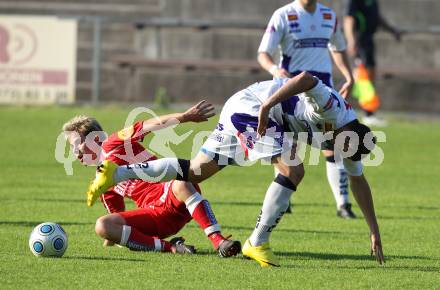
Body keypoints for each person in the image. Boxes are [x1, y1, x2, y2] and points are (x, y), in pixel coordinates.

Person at [86, 72, 385, 267]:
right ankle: (257, 242)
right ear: (344, 133)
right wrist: (268, 106)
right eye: (336, 146)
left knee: (195, 173)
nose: (333, 152)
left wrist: (373, 231)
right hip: (254, 108)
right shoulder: (332, 108)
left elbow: (359, 181)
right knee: (294, 170)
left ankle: (118, 173)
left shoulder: (349, 140)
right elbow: (306, 79)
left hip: (244, 109)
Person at [62, 101, 241, 257]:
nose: (75, 152)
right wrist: (108, 234)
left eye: (78, 144)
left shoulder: (114, 143)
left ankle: (219, 241)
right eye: (72, 148)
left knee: (181, 181)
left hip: (175, 196)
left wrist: (184, 117)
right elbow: (116, 219)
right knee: (102, 225)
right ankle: (171, 247)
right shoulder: (100, 183)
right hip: (156, 218)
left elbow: (150, 125)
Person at [258, 0, 356, 218]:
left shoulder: (329, 16)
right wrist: (275, 69)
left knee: (333, 145)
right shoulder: (283, 15)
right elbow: (263, 53)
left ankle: (343, 204)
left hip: (324, 94)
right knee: (289, 147)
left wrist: (349, 76)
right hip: (291, 92)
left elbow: (338, 47)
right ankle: (284, 199)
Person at [344, 0, 401, 126]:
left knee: (369, 77)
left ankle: (369, 112)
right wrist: (351, 41)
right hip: (360, 41)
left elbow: (376, 17)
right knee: (362, 77)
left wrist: (392, 30)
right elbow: (349, 19)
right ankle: (367, 114)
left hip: (368, 41)